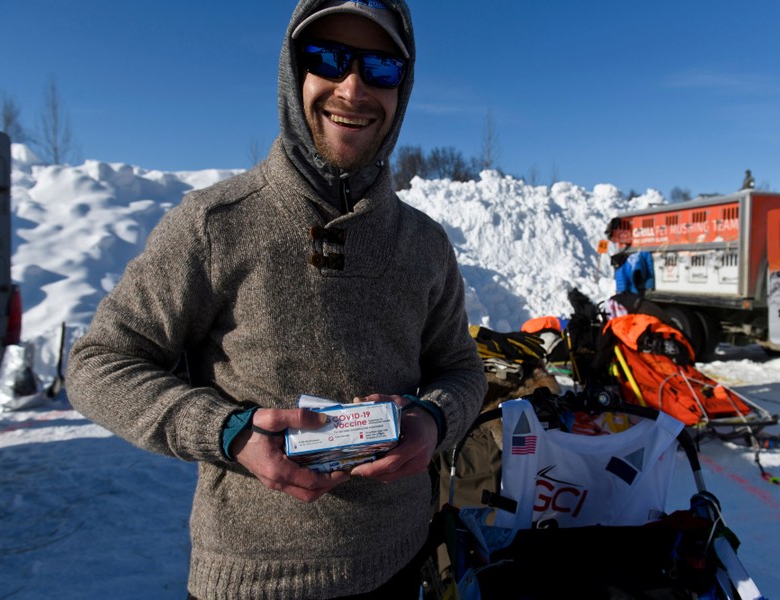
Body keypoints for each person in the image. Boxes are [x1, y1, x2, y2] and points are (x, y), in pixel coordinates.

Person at [66, 1, 487, 598]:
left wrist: (435, 418)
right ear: (294, 72)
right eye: (329, 59)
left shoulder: (424, 244)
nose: (353, 87)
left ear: (404, 86)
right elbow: (97, 364)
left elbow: (462, 368)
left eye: (380, 68)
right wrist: (228, 430)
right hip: (256, 580)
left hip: (402, 562)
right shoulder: (215, 224)